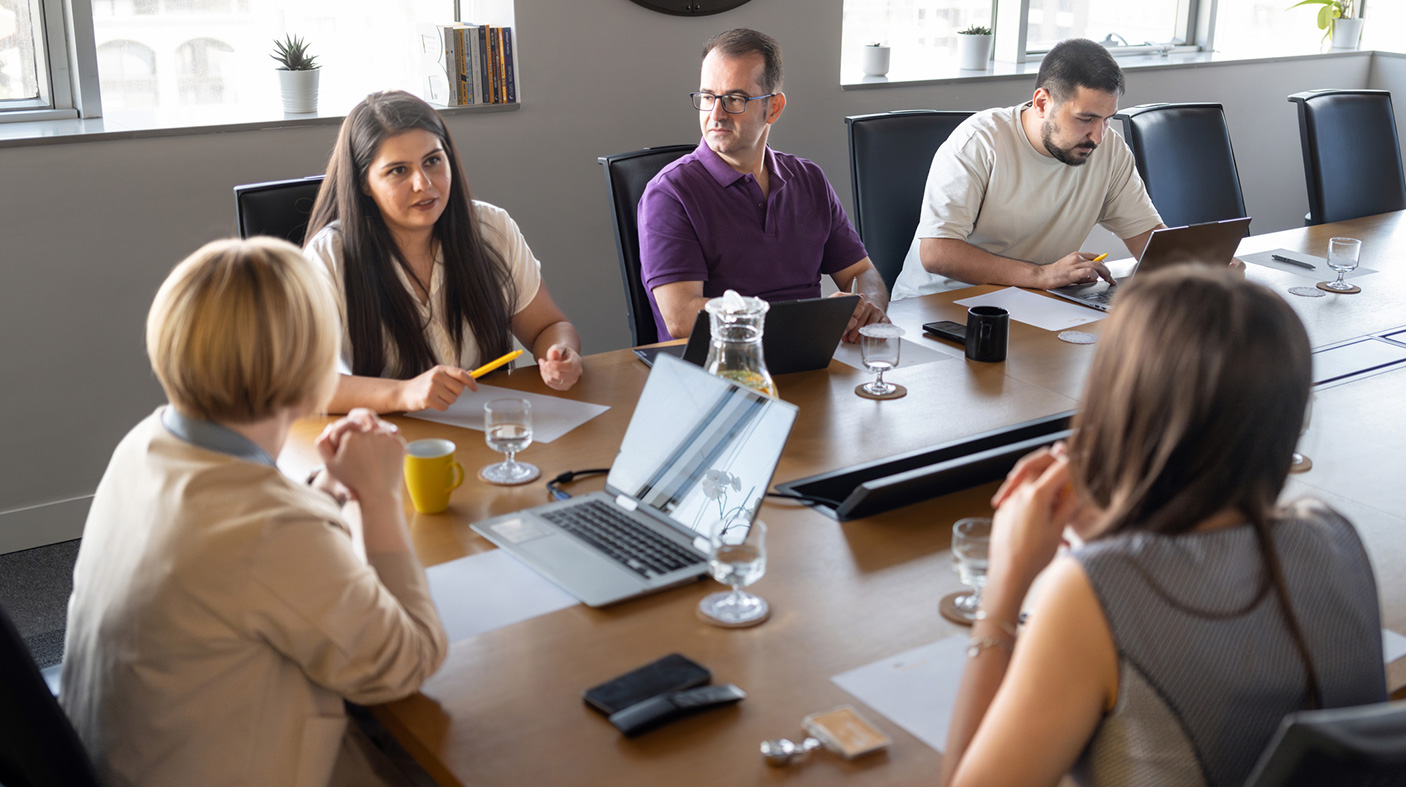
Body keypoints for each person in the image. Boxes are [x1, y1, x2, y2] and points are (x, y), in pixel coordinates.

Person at [940, 266, 1386, 787]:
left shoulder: (1087, 592)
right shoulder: (1334, 535)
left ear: (1120, 406)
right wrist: (1115, 541)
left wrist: (1004, 591)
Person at [61, 238, 449, 787]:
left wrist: (329, 487)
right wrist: (381, 498)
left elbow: (243, 542)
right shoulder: (268, 532)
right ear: (308, 365)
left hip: (138, 754)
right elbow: (408, 663)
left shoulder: (145, 444)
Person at [305, 90, 581, 413]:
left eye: (433, 161)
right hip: (389, 444)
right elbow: (304, 385)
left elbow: (548, 327)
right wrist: (405, 393)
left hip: (488, 430)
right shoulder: (329, 256)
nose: (423, 183)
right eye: (398, 171)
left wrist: (559, 353)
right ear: (364, 183)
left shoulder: (492, 227)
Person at [638, 28, 890, 342]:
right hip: (719, 372)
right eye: (707, 97)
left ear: (774, 108)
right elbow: (682, 317)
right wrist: (809, 318)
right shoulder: (669, 194)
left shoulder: (809, 179)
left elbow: (862, 273)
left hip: (810, 359)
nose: (716, 114)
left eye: (734, 99)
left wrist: (868, 306)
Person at [891, 38, 1166, 300]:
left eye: (1107, 119)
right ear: (1042, 103)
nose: (1098, 136)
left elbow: (1149, 240)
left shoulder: (1110, 152)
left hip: (1031, 301)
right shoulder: (979, 142)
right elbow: (937, 252)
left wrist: (1197, 274)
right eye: (1086, 119)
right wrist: (1041, 275)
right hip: (936, 306)